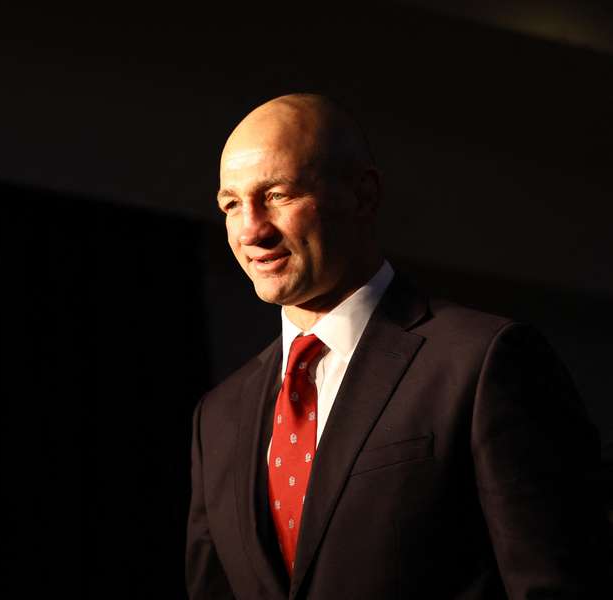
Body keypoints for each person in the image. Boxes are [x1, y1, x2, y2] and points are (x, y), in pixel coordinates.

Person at [185, 93, 608, 599]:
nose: (252, 229)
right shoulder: (218, 418)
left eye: (278, 195)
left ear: (363, 196)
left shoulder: (482, 362)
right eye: (232, 204)